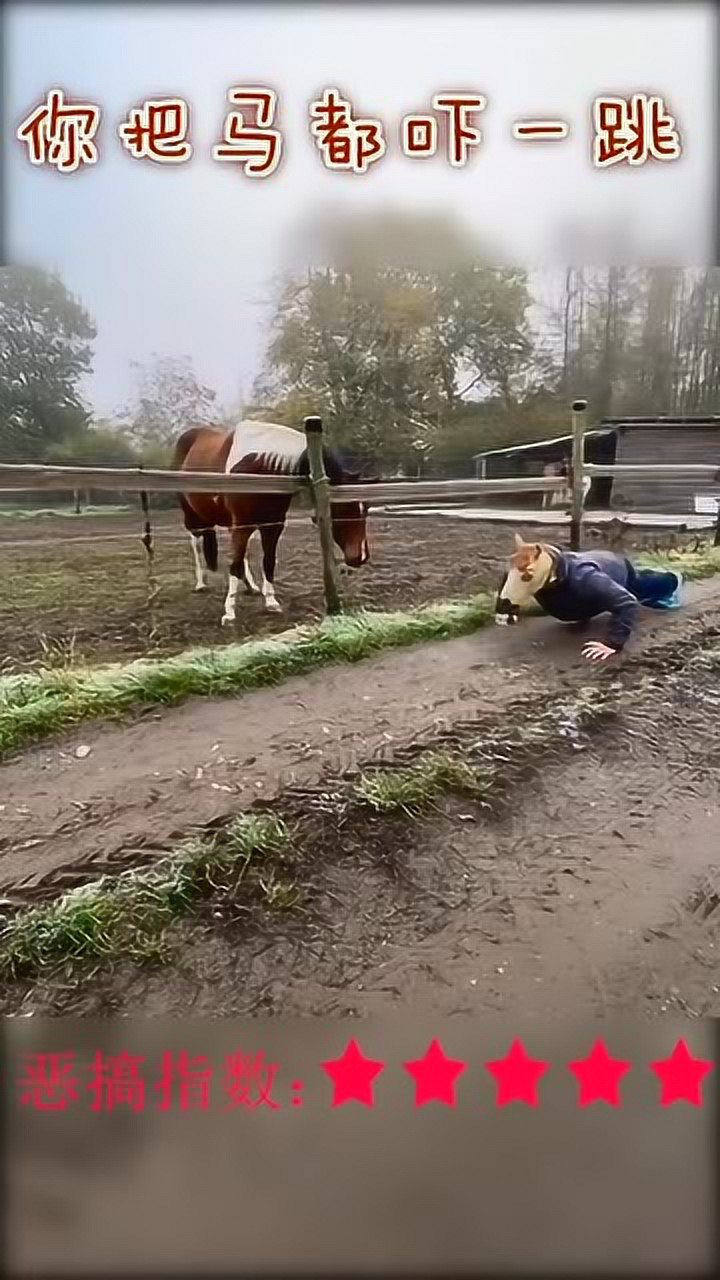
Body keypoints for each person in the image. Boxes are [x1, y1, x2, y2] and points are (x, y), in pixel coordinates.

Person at [494, 534, 683, 661]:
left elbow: (627, 603)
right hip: (581, 574)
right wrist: (507, 607)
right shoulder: (526, 573)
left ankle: (672, 580)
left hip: (617, 569)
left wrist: (613, 643)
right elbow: (512, 583)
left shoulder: (585, 578)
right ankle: (582, 611)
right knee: (570, 602)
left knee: (641, 589)